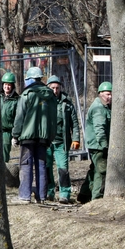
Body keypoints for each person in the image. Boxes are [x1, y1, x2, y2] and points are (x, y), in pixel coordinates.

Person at [11, 66, 58, 204]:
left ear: (30, 79)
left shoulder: (27, 94)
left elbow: (19, 118)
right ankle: (41, 196)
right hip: (44, 138)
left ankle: (25, 196)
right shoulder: (50, 96)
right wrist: (50, 136)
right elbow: (54, 119)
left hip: (27, 137)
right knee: (41, 165)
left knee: (26, 164)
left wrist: (15, 135)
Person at [46, 75, 81, 204]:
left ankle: (64, 194)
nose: (55, 90)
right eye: (52, 88)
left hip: (62, 142)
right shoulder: (44, 101)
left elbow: (75, 123)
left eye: (57, 88)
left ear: (60, 88)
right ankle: (48, 192)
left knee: (63, 169)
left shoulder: (67, 102)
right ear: (48, 88)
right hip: (47, 142)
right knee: (47, 167)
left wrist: (76, 138)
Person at [77, 81, 112, 203]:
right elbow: (99, 129)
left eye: (111, 94)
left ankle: (83, 194)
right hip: (99, 146)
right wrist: (105, 146)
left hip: (96, 145)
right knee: (101, 171)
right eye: (107, 94)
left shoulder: (104, 106)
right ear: (100, 94)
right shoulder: (99, 108)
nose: (110, 97)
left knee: (94, 170)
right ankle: (97, 198)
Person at [0, 72, 20, 163]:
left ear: (12, 86)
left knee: (4, 156)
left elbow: (18, 119)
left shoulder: (16, 100)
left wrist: (15, 136)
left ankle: (3, 174)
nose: (7, 87)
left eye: (9, 85)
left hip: (7, 133)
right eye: (5, 84)